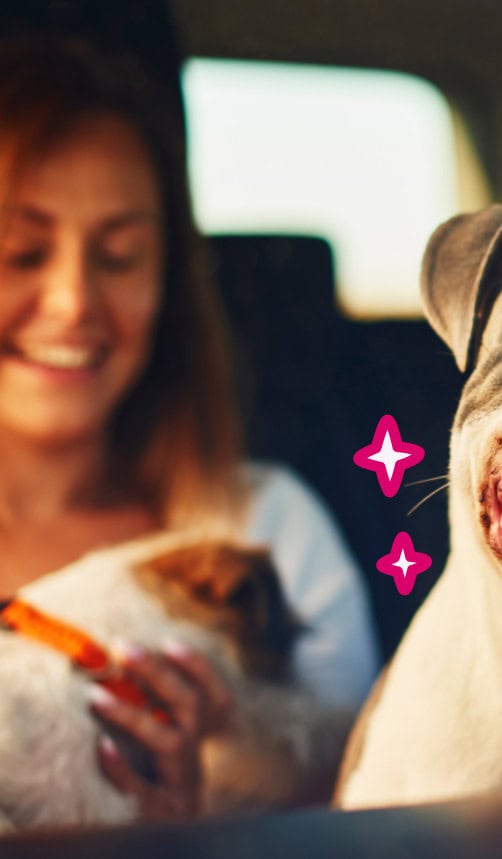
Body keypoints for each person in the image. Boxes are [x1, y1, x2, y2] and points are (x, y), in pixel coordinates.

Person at [0, 38, 378, 816]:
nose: (74, 300)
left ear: (170, 280)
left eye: (122, 254)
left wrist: (216, 798)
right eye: (22, 251)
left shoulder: (265, 527)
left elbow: (367, 798)